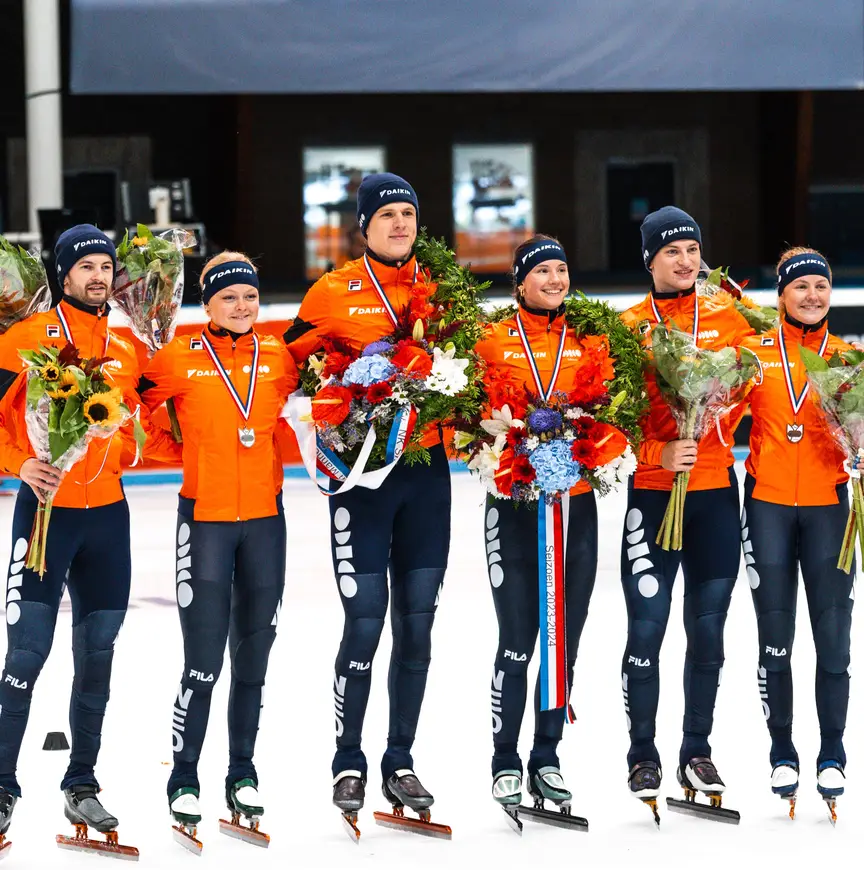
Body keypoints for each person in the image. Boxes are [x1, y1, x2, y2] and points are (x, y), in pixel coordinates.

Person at [0, 224, 180, 842]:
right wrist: (19, 463)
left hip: (108, 519)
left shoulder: (130, 347)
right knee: (25, 654)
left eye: (106, 266)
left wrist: (176, 425)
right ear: (62, 274)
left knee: (96, 659)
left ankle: (81, 784)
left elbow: (150, 427)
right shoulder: (25, 339)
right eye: (86, 267)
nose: (98, 276)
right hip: (45, 516)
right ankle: (2, 787)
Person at [284, 173, 450, 819]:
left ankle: (400, 762)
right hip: (361, 481)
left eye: (408, 212)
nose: (400, 223)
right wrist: (331, 401)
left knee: (418, 625)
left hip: (426, 472)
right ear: (364, 225)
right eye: (388, 214)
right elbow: (290, 367)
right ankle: (347, 762)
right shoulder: (331, 291)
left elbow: (466, 371)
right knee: (364, 620)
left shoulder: (440, 287)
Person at [138, 252, 298, 836]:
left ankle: (242, 772)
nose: (242, 306)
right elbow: (136, 413)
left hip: (265, 523)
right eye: (229, 297)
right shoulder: (178, 355)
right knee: (203, 663)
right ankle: (183, 776)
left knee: (253, 663)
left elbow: (300, 415)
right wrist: (185, 457)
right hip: (203, 522)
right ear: (206, 304)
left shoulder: (278, 356)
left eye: (250, 296)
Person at [618, 207, 755, 811]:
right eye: (671, 251)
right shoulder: (626, 327)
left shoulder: (732, 316)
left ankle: (695, 750)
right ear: (649, 260)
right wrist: (657, 449)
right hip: (652, 496)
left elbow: (756, 386)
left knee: (708, 634)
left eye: (693, 249)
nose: (685, 260)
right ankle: (642, 755)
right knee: (645, 631)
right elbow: (609, 421)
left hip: (717, 497)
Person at [473, 236, 598, 811]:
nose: (554, 278)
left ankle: (546, 757)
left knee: (563, 641)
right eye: (542, 270)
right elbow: (470, 420)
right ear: (519, 282)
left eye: (561, 268)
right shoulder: (491, 339)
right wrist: (504, 444)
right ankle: (505, 759)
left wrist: (595, 446)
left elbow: (611, 415)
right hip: (514, 504)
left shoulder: (592, 337)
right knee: (519, 640)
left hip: (574, 506)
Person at [738, 248, 852, 813]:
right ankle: (782, 751)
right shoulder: (755, 355)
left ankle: (832, 754)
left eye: (820, 286)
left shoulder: (850, 359)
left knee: (833, 642)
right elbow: (710, 412)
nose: (812, 295)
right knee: (775, 640)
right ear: (780, 295)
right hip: (768, 507)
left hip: (831, 506)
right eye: (800, 286)